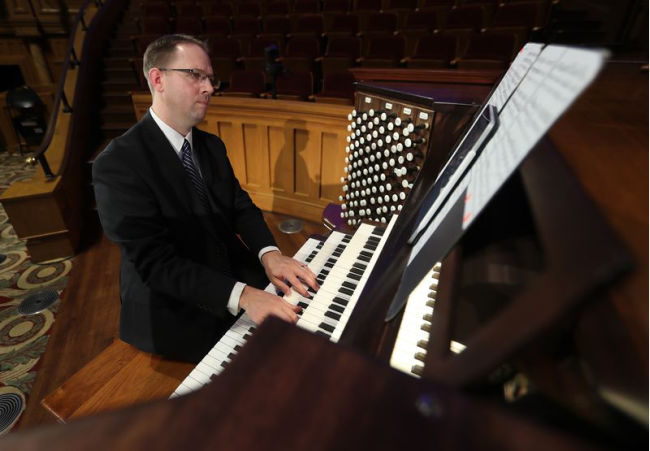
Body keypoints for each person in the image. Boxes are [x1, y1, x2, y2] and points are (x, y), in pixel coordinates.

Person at [92, 34, 318, 362]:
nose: (209, 87)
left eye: (210, 78)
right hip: (173, 306)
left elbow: (239, 205)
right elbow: (157, 265)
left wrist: (270, 254)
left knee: (303, 319)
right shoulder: (117, 164)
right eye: (195, 75)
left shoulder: (211, 145)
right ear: (158, 79)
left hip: (230, 272)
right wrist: (242, 295)